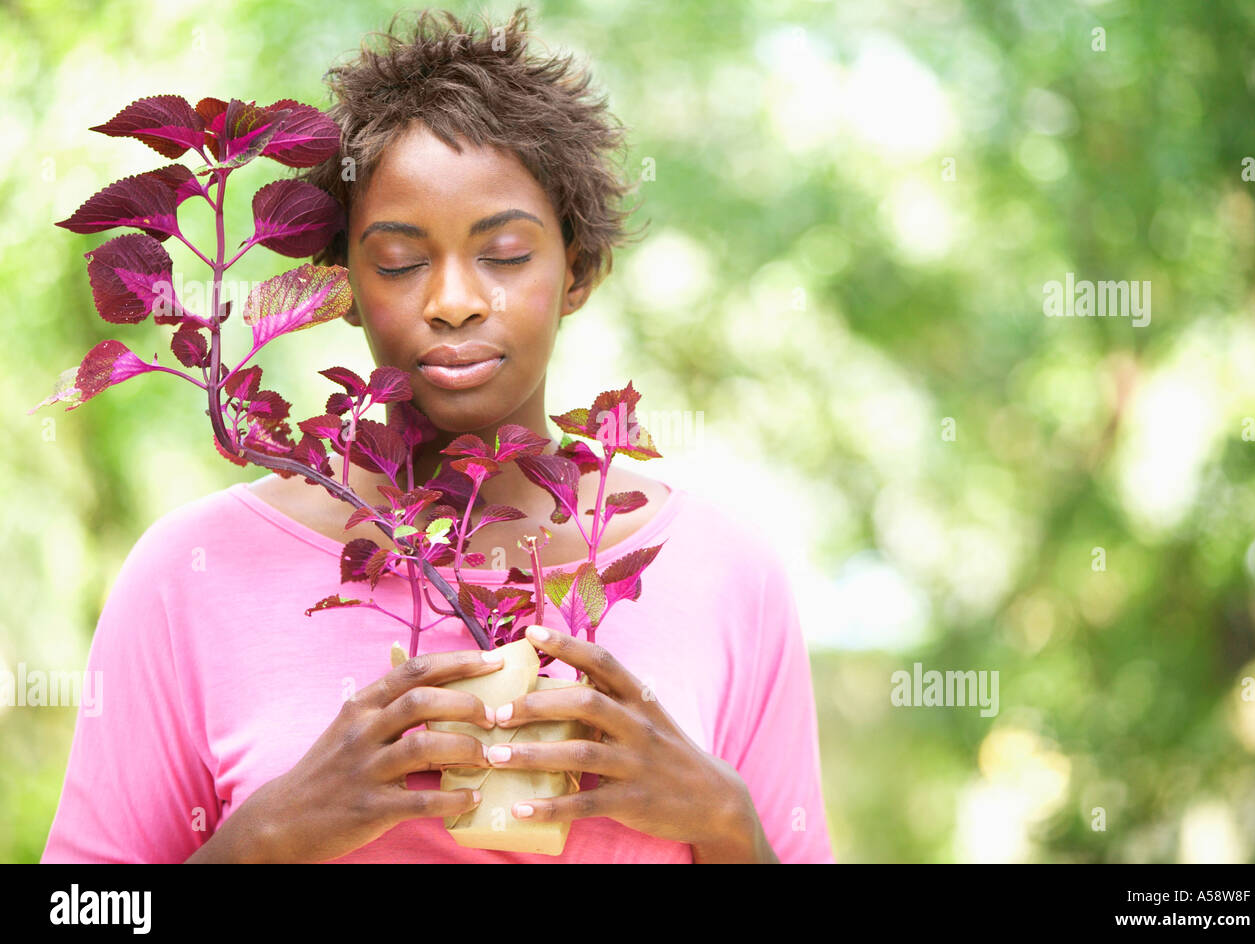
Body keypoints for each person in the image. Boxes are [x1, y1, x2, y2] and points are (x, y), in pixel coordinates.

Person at [40, 6, 834, 864]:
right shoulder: (187, 575)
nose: (453, 298)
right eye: (400, 262)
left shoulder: (727, 576)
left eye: (504, 253)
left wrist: (728, 825)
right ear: (341, 285)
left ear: (580, 270)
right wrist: (263, 838)